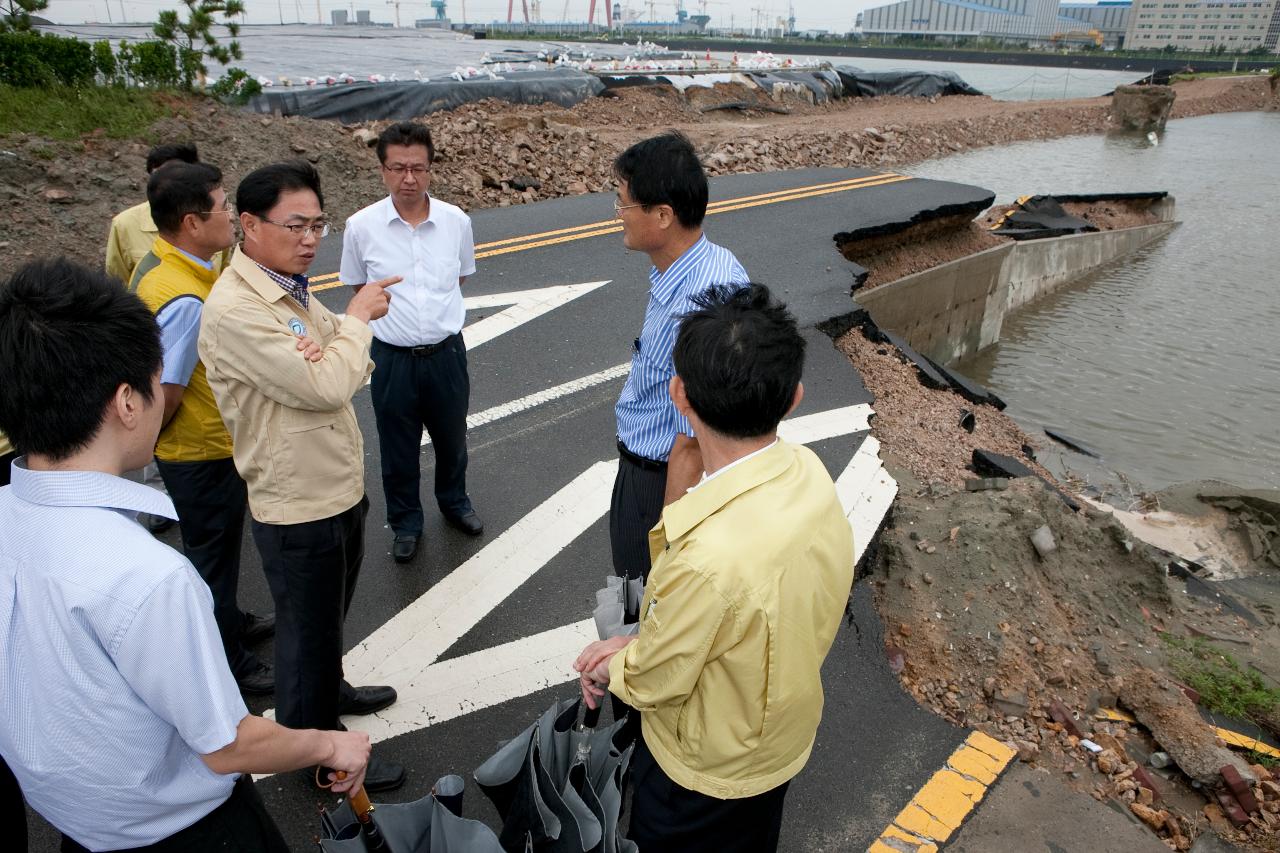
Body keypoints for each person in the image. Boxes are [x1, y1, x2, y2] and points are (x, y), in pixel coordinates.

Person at [0, 258, 372, 853]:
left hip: (80, 827)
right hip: (186, 833)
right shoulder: (146, 575)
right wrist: (331, 745)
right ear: (127, 402)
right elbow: (229, 744)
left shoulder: (7, 517)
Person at [574, 284, 855, 853]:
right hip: (778, 740)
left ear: (678, 394)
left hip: (703, 773)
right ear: (794, 397)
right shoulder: (808, 471)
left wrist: (613, 665)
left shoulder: (707, 563)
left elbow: (657, 677)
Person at [199, 161, 406, 792]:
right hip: (296, 501)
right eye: (296, 225)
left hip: (335, 486)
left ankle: (328, 690)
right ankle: (315, 750)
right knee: (303, 634)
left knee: (327, 619)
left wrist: (335, 347)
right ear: (249, 226)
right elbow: (328, 379)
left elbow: (334, 363)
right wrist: (356, 324)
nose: (312, 237)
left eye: (318, 223)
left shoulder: (287, 285)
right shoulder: (238, 308)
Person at [134, 161, 277, 697]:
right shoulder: (187, 300)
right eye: (222, 209)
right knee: (212, 559)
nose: (232, 220)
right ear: (192, 223)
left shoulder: (172, 269)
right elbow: (166, 393)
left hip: (198, 447)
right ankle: (229, 658)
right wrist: (159, 446)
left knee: (217, 552)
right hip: (200, 450)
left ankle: (232, 621)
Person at [609, 131, 749, 589]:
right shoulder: (702, 262)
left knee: (645, 608)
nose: (618, 216)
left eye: (624, 205)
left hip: (659, 483)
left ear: (663, 214)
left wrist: (668, 541)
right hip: (649, 469)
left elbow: (693, 440)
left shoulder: (699, 300)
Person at [340, 121, 482, 565]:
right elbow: (357, 287)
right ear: (382, 170)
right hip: (391, 359)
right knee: (396, 447)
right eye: (398, 168)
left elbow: (459, 276)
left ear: (430, 169)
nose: (408, 179)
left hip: (446, 354)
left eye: (418, 168)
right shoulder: (361, 227)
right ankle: (406, 522)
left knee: (451, 437)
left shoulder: (456, 222)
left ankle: (454, 502)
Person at [106, 142, 229, 288]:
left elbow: (224, 276)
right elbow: (117, 283)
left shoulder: (216, 221)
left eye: (174, 177)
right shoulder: (124, 225)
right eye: (157, 176)